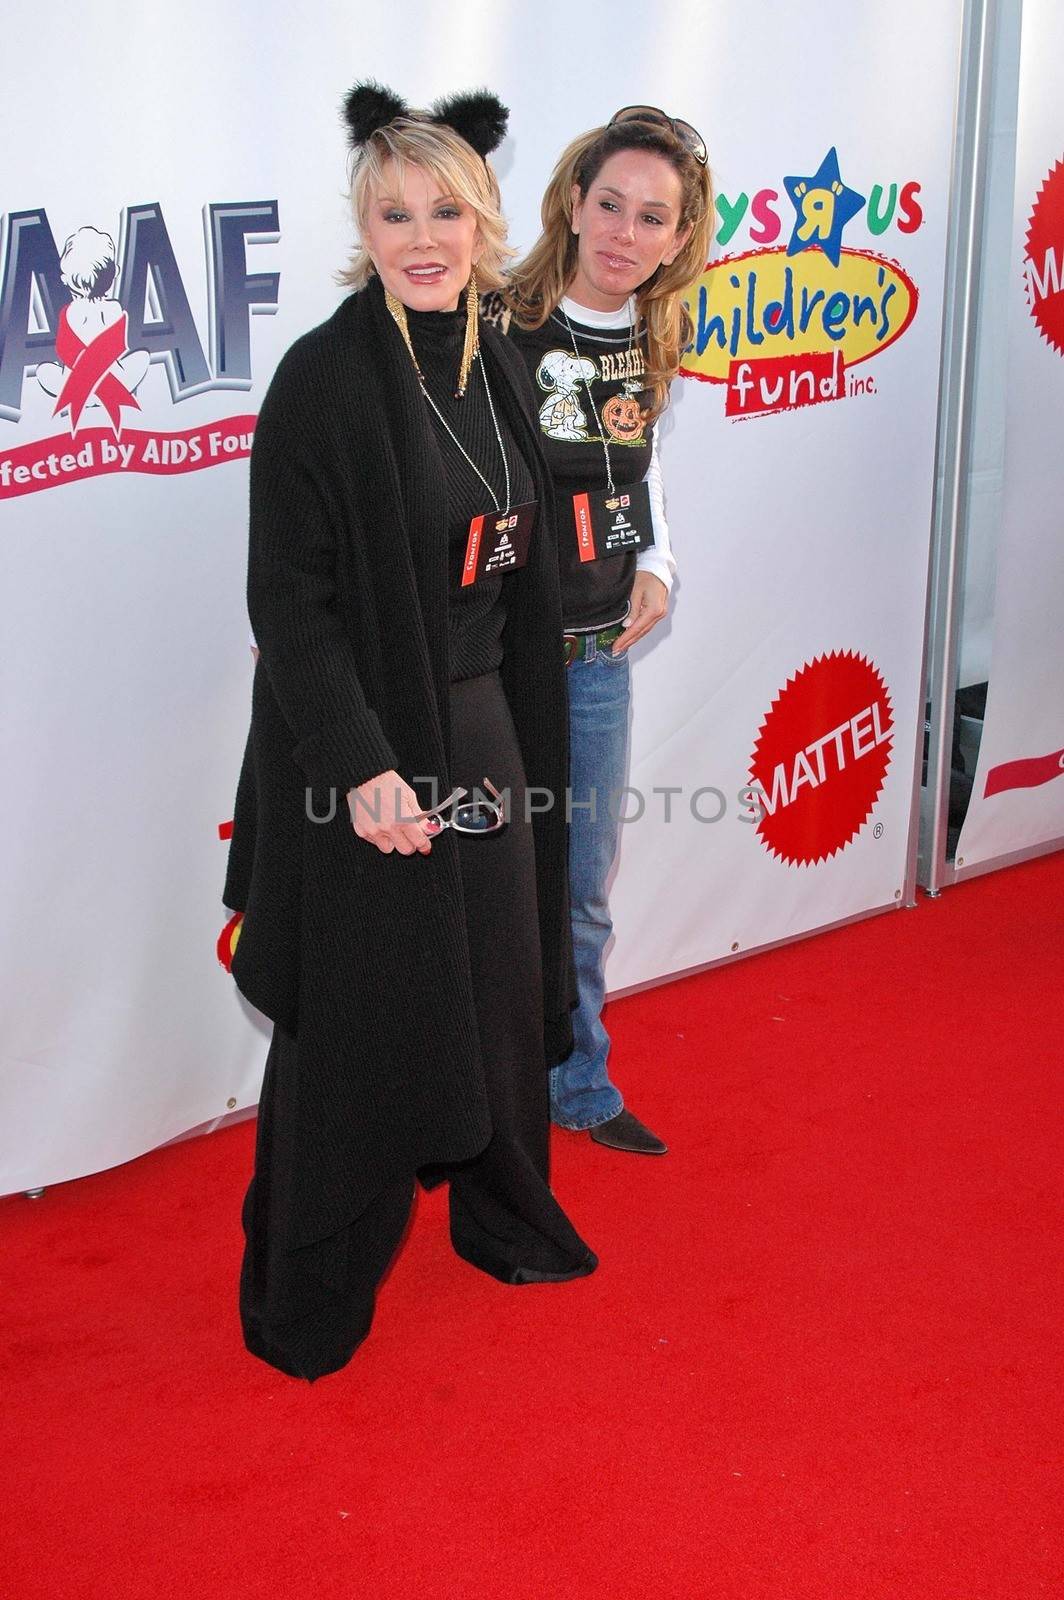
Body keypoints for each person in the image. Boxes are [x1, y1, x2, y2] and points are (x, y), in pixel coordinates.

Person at [224, 83, 595, 1383]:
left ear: (486, 217)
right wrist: (364, 766)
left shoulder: (499, 356)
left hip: (489, 723)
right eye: (396, 212)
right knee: (357, 1018)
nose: (423, 234)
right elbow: (292, 605)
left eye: (446, 209)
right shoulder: (326, 380)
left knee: (499, 982)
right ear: (363, 224)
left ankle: (505, 1218)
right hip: (370, 745)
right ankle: (306, 1288)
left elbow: (523, 553)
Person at [487, 107, 713, 1155]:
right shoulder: (495, 324)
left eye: (650, 216)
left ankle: (577, 1088)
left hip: (592, 661)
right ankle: (470, 1107)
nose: (624, 231)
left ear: (678, 238)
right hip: (483, 664)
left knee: (578, 895)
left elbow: (642, 471)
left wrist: (658, 565)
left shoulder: (656, 338)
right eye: (609, 204)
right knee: (477, 889)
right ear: (572, 204)